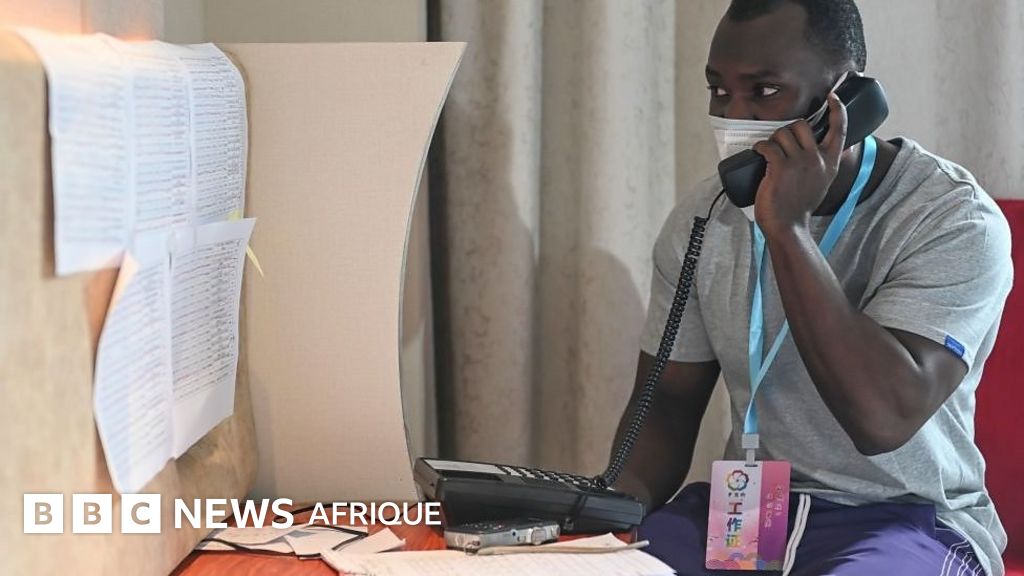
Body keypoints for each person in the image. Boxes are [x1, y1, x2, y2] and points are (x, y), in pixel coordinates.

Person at [609, 1, 1013, 574]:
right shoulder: (705, 217)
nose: (734, 115)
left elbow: (883, 417)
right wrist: (601, 517)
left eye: (765, 91)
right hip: (748, 516)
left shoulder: (951, 217)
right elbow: (667, 404)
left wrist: (788, 230)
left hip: (905, 519)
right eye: (719, 91)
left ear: (844, 98)